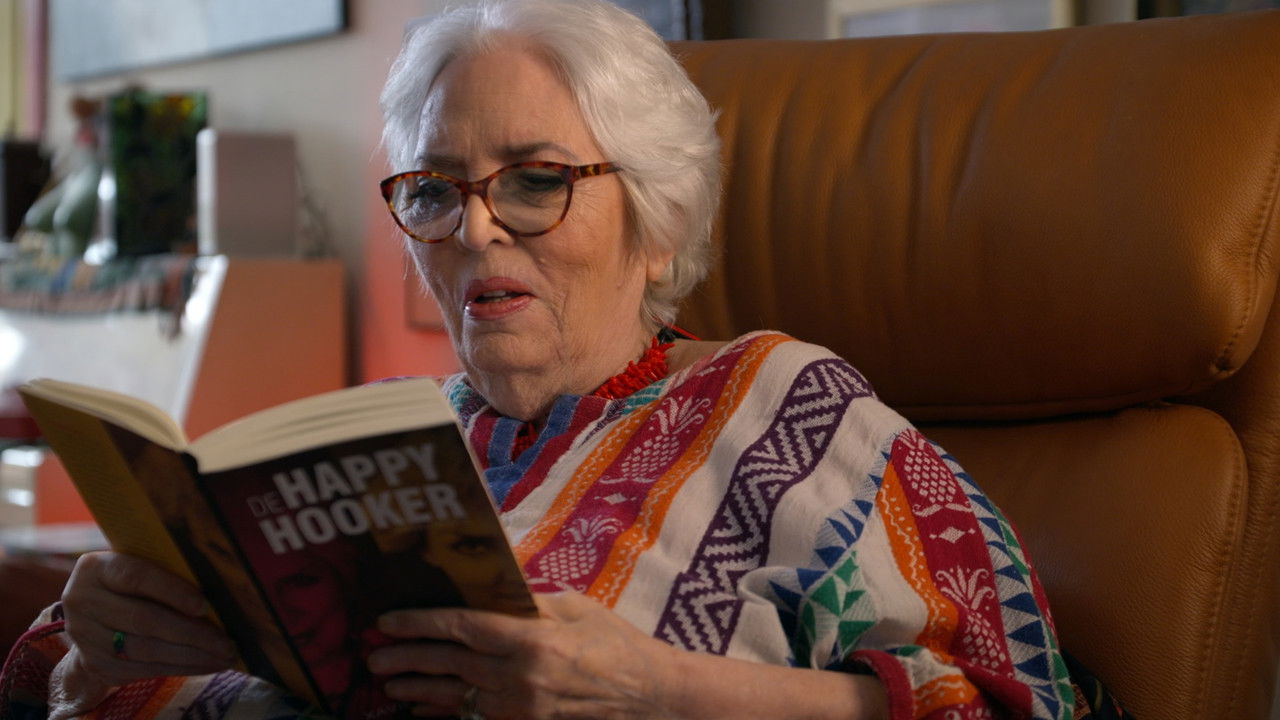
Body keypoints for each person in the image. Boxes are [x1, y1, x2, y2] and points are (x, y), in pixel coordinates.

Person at [0, 1, 1089, 719]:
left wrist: (661, 693)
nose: (475, 229)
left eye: (534, 181)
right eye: (436, 190)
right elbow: (50, 687)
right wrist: (97, 655)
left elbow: (1026, 701)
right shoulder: (381, 431)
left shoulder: (786, 408)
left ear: (657, 218)